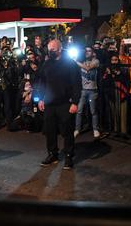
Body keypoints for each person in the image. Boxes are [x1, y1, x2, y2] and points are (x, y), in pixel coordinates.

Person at [35, 39, 82, 170]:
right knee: (50, 131)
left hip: (65, 103)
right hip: (49, 103)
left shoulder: (70, 64)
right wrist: (40, 99)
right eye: (49, 50)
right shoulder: (46, 64)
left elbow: (76, 84)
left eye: (53, 50)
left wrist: (75, 102)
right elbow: (42, 82)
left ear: (60, 49)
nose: (50, 52)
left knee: (67, 131)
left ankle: (68, 156)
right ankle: (52, 154)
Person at [75, 46, 101, 138]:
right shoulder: (82, 61)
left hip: (92, 90)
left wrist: (76, 61)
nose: (87, 52)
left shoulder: (96, 61)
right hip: (83, 90)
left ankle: (95, 129)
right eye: (86, 51)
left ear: (93, 52)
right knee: (79, 110)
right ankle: (77, 129)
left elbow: (88, 68)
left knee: (93, 111)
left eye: (89, 51)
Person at [102, 53, 130, 135]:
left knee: (123, 113)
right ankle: (116, 130)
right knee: (114, 112)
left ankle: (123, 132)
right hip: (112, 93)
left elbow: (125, 80)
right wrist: (110, 74)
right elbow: (105, 82)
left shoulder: (123, 69)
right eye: (112, 60)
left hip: (122, 93)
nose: (114, 62)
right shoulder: (108, 70)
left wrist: (119, 74)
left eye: (116, 60)